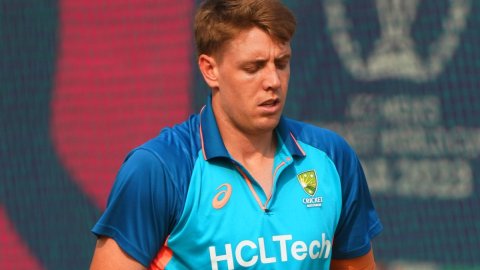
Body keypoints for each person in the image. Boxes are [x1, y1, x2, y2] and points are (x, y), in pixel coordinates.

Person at [90, 0, 383, 269]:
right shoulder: (158, 169)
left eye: (281, 63)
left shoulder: (332, 158)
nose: (273, 81)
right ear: (209, 70)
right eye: (253, 68)